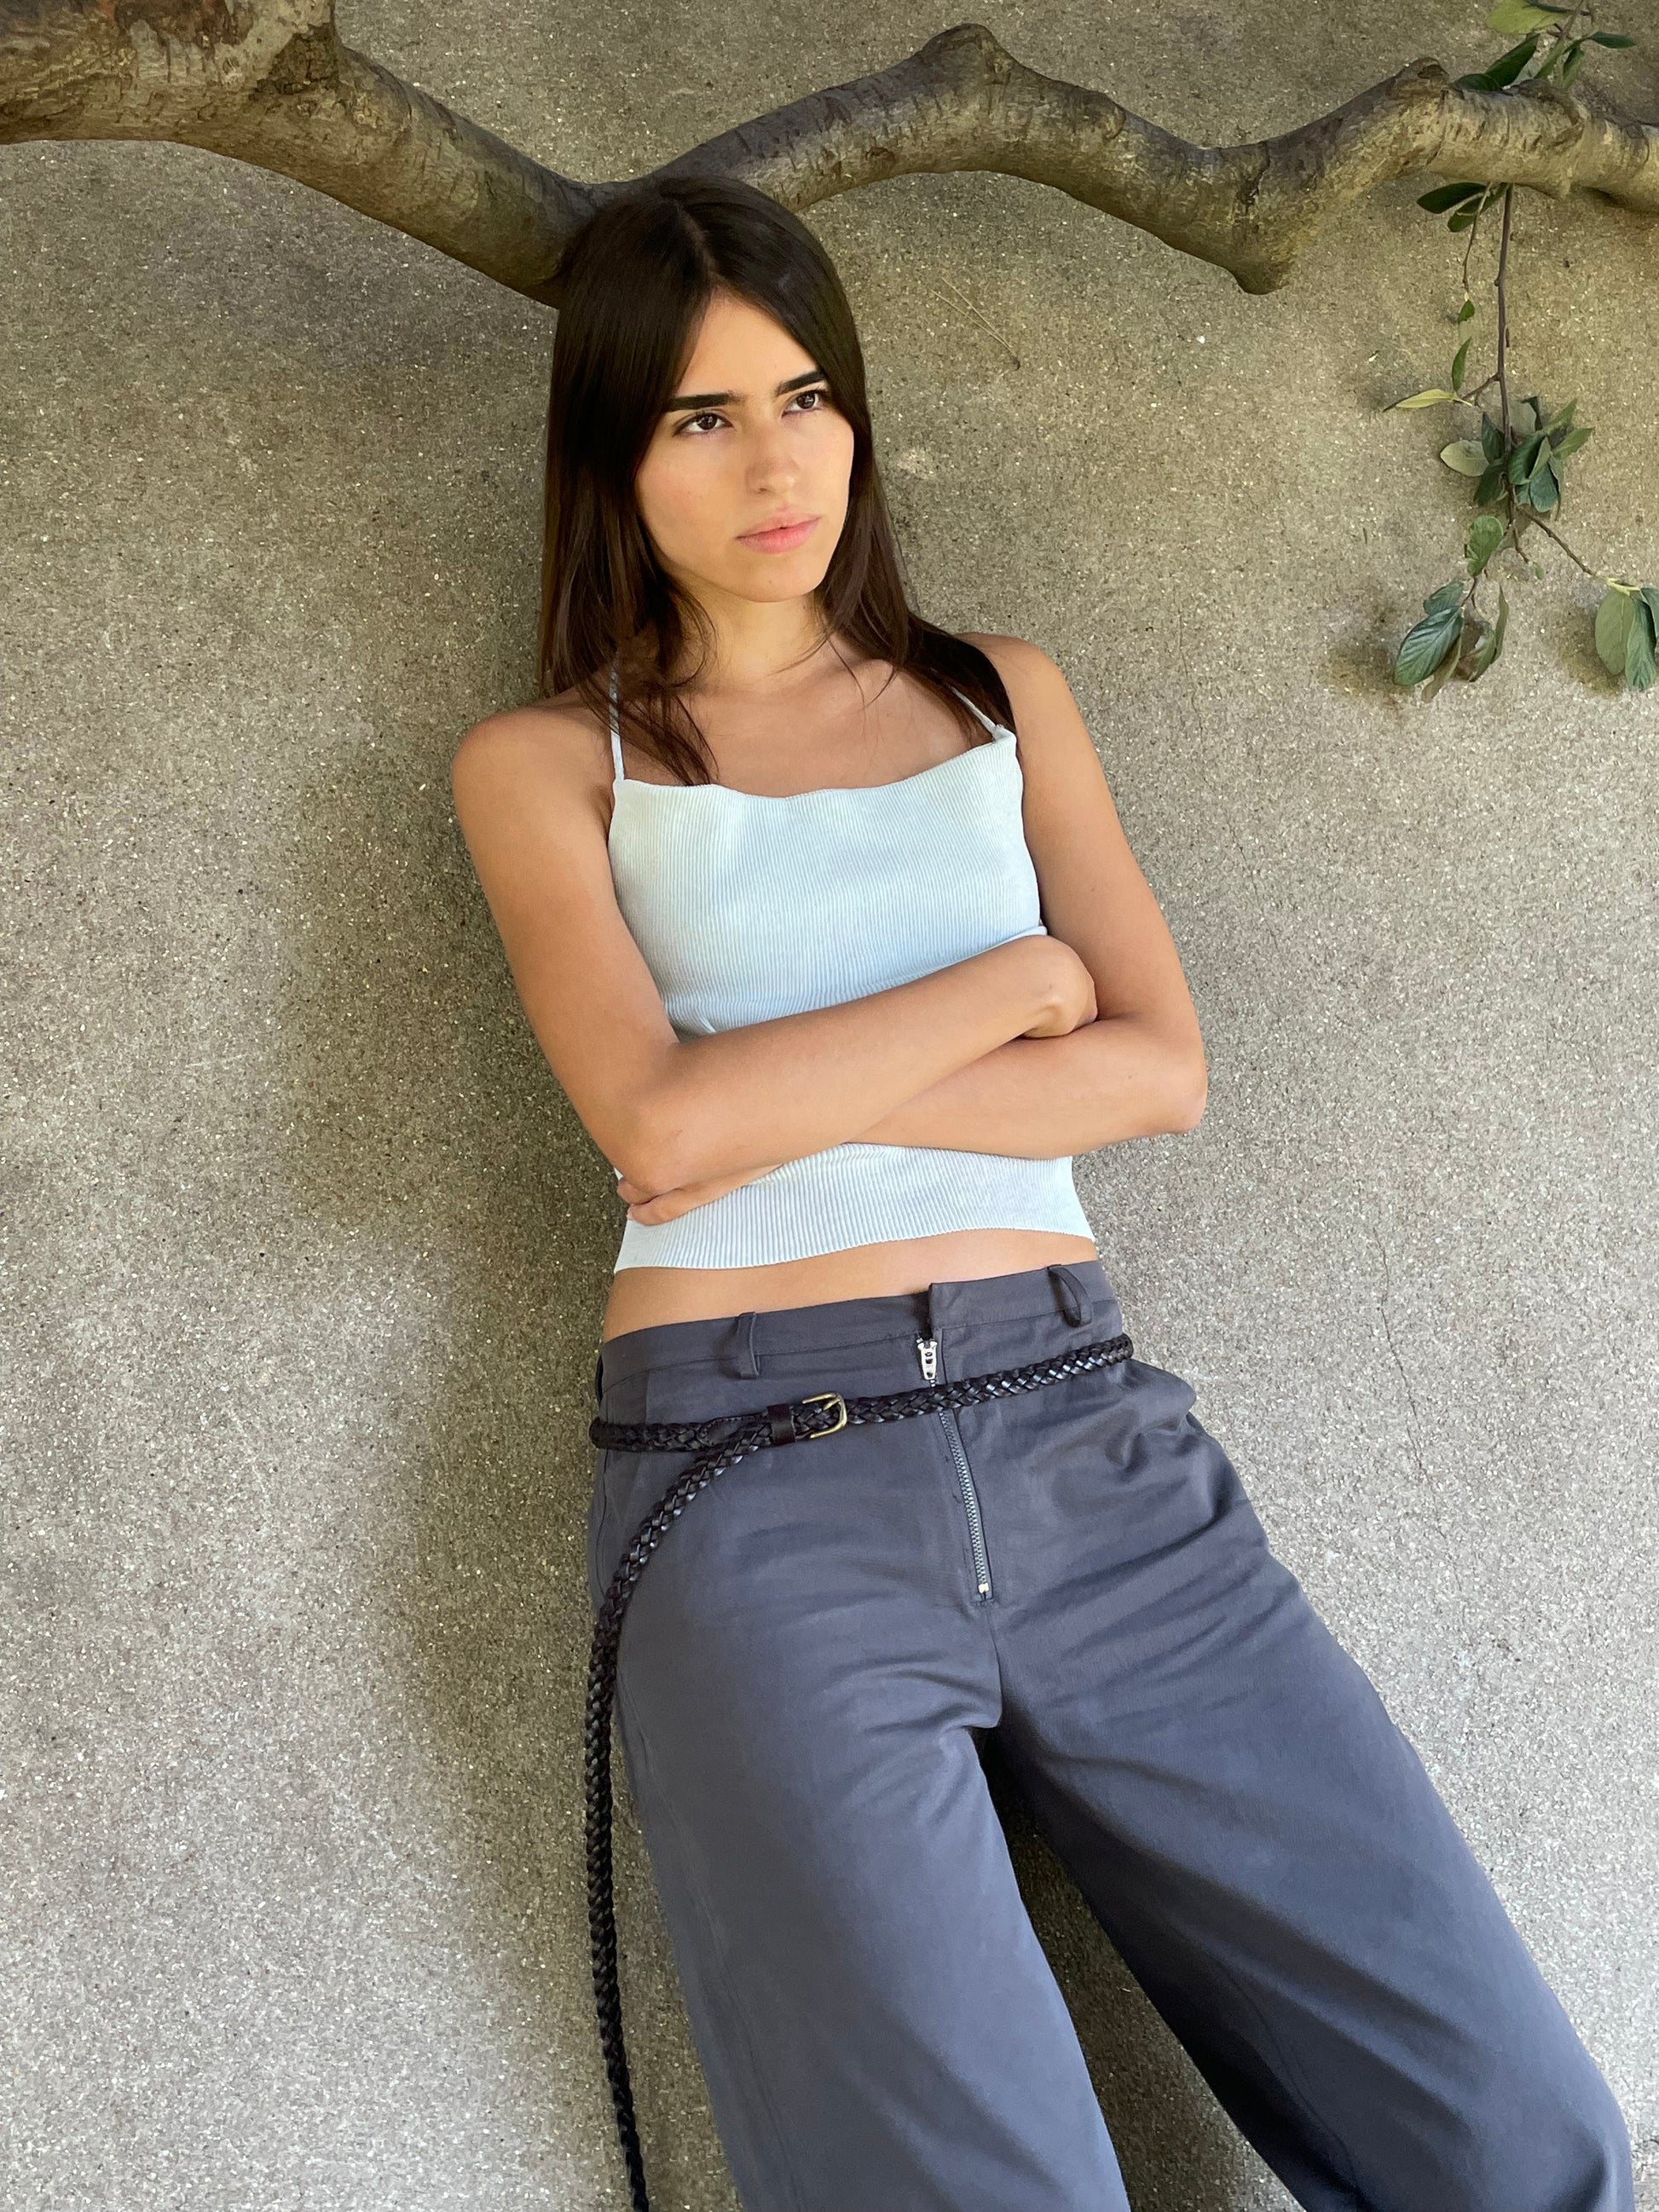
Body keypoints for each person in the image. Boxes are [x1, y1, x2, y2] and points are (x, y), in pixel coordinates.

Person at [450, 175, 1634, 2212]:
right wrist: (1002, 988)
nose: (776, 459)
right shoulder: (555, 764)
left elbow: (1156, 1069)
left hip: (1084, 1433)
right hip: (756, 1479)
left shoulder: (1000, 697)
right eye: (700, 416)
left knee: (1520, 2133)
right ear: (609, 454)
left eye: (806, 395)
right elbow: (658, 1131)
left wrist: (791, 1077)